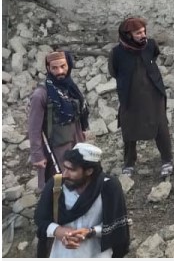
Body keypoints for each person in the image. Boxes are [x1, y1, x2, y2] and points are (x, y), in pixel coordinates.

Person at [34, 143, 130, 258]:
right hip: (61, 254)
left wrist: (90, 232)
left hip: (97, 254)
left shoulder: (108, 187)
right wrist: (59, 231)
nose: (65, 174)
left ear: (89, 171)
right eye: (65, 168)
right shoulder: (56, 185)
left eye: (72, 170)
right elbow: (41, 219)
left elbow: (117, 227)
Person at [108, 17, 173, 178]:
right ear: (127, 35)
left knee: (160, 126)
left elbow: (154, 56)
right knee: (129, 128)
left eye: (144, 31)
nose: (143, 35)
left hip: (153, 94)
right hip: (130, 96)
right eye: (138, 33)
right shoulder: (117, 53)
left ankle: (167, 160)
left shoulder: (150, 45)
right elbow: (113, 71)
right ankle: (129, 163)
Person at [28, 51, 89, 191]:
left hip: (76, 142)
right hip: (55, 148)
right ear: (48, 68)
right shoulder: (40, 95)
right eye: (54, 68)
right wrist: (37, 155)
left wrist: (83, 131)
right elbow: (34, 129)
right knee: (57, 186)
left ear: (69, 65)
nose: (60, 71)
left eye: (63, 66)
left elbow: (79, 114)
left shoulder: (71, 88)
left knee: (78, 180)